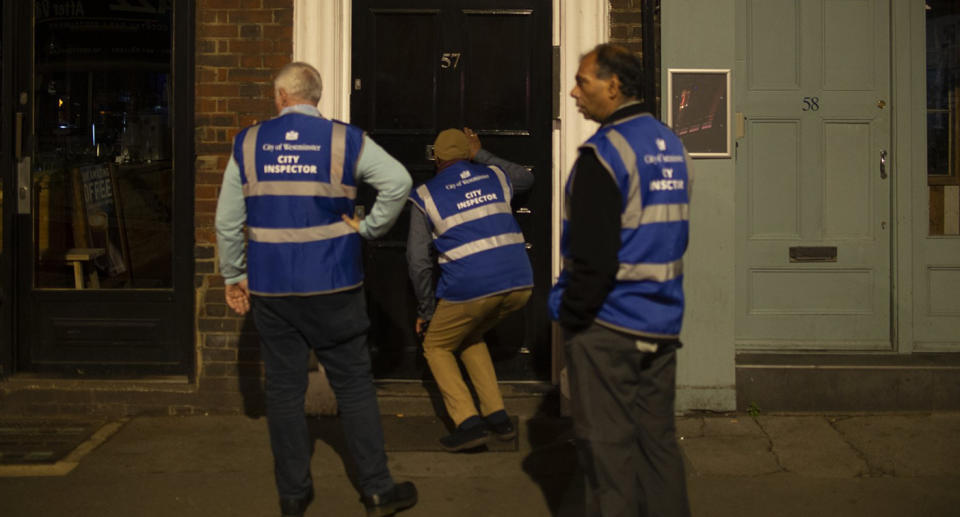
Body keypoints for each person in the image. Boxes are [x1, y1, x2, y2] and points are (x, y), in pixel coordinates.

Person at [215, 62, 417, 517]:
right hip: (334, 284)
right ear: (316, 97)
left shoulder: (248, 143)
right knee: (354, 387)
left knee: (284, 392)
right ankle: (378, 489)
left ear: (282, 96)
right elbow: (399, 182)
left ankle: (292, 495)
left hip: (272, 288)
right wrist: (369, 229)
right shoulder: (345, 140)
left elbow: (228, 221)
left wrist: (234, 274)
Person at [548, 44, 693, 517]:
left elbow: (592, 259)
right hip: (661, 324)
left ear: (613, 86)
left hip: (609, 327)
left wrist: (571, 317)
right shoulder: (671, 144)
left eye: (582, 81)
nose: (573, 91)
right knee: (658, 450)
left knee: (607, 459)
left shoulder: (603, 154)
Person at [407, 127, 534, 451]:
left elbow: (418, 260)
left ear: (436, 158)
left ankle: (468, 423)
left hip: (472, 287)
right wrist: (482, 154)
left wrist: (426, 310)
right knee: (468, 335)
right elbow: (525, 178)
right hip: (520, 283)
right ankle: (497, 417)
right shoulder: (495, 176)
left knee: (436, 345)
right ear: (467, 152)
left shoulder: (425, 194)